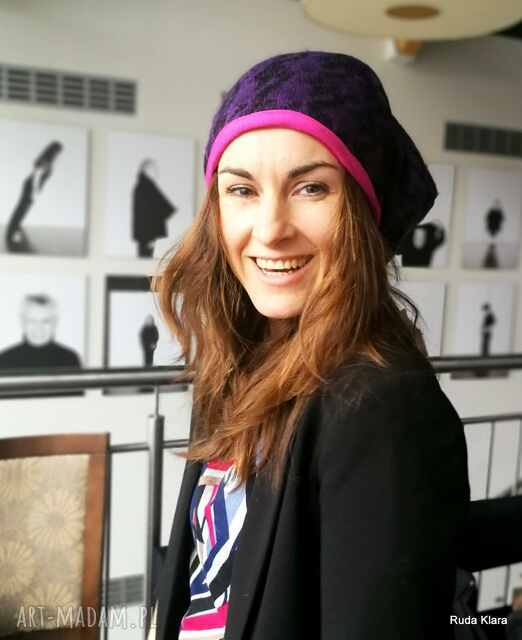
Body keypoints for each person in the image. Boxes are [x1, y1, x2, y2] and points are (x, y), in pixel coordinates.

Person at [151, 51, 470, 640]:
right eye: (241, 189)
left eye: (311, 187)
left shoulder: (382, 407)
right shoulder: (237, 364)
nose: (270, 228)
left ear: (364, 210)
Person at [5, 141, 63, 253]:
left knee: (23, 209)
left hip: (31, 185)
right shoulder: (45, 161)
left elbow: (39, 177)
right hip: (31, 186)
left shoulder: (47, 161)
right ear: (53, 151)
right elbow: (37, 176)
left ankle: (13, 231)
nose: (59, 154)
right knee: (22, 209)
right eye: (58, 151)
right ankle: (12, 233)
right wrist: (35, 191)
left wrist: (37, 190)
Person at [0, 294, 81, 368]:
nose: (39, 327)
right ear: (22, 322)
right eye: (32, 321)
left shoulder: (70, 359)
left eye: (45, 321)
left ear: (55, 323)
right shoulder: (5, 359)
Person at [132, 158, 177, 258]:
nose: (155, 172)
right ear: (146, 171)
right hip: (148, 234)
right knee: (146, 258)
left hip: (145, 235)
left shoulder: (143, 186)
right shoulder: (146, 187)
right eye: (153, 170)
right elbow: (158, 207)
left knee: (146, 257)